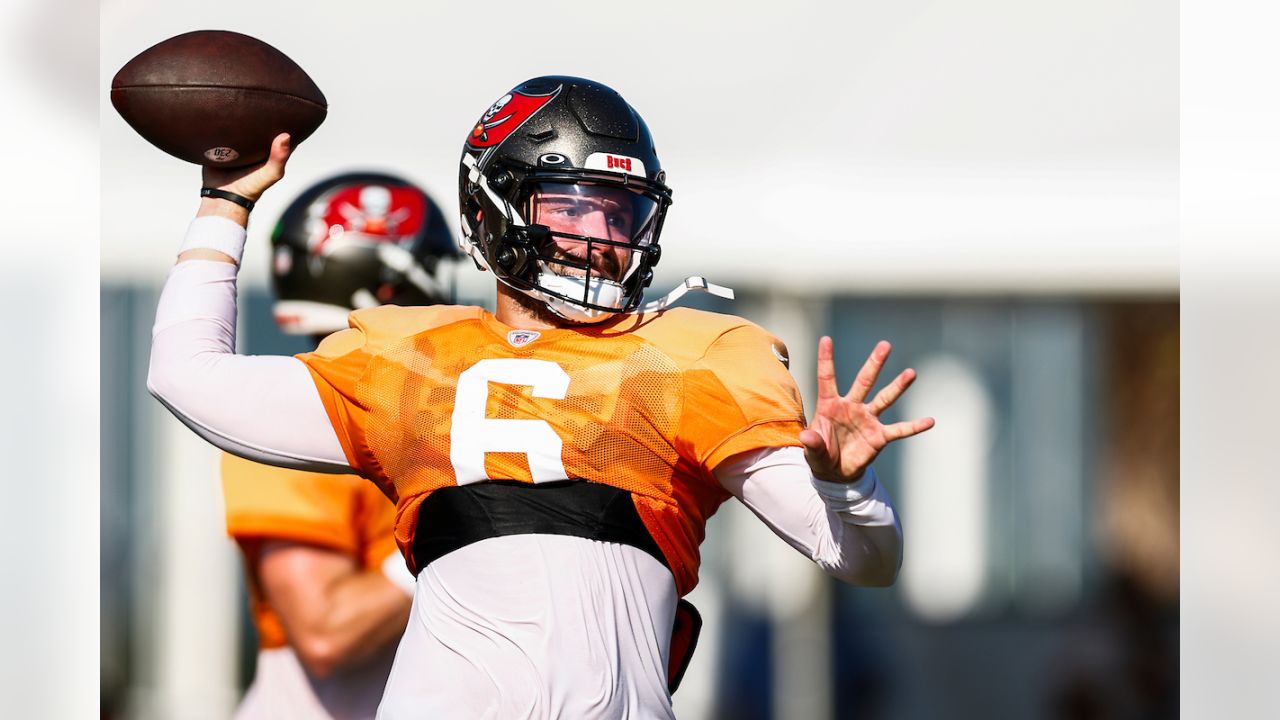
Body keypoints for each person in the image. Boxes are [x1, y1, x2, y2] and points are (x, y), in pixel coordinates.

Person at [148, 75, 935, 719]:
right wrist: (226, 201)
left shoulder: (697, 357)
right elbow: (186, 376)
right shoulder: (406, 358)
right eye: (570, 205)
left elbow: (863, 558)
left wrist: (846, 486)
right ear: (495, 212)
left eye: (617, 210)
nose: (600, 234)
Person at [220, 172, 457, 719]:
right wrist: (465, 531)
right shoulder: (289, 415)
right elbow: (326, 631)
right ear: (387, 282)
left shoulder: (426, 419)